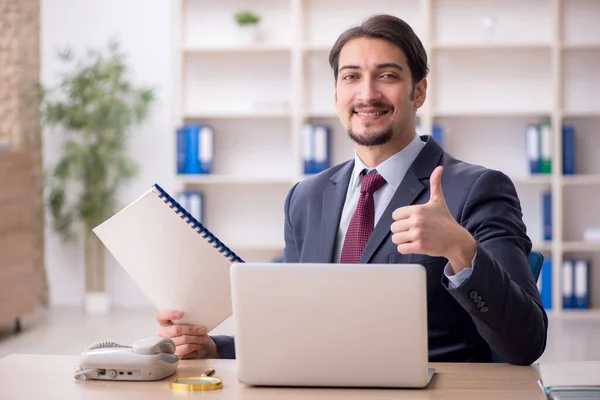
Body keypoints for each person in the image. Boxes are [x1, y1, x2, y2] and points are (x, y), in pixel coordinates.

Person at [157, 14, 548, 365]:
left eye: (388, 75)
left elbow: (526, 342)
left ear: (419, 91)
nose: (367, 94)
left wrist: (460, 250)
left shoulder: (475, 189)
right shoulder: (305, 198)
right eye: (351, 76)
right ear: (336, 92)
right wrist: (216, 348)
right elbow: (300, 332)